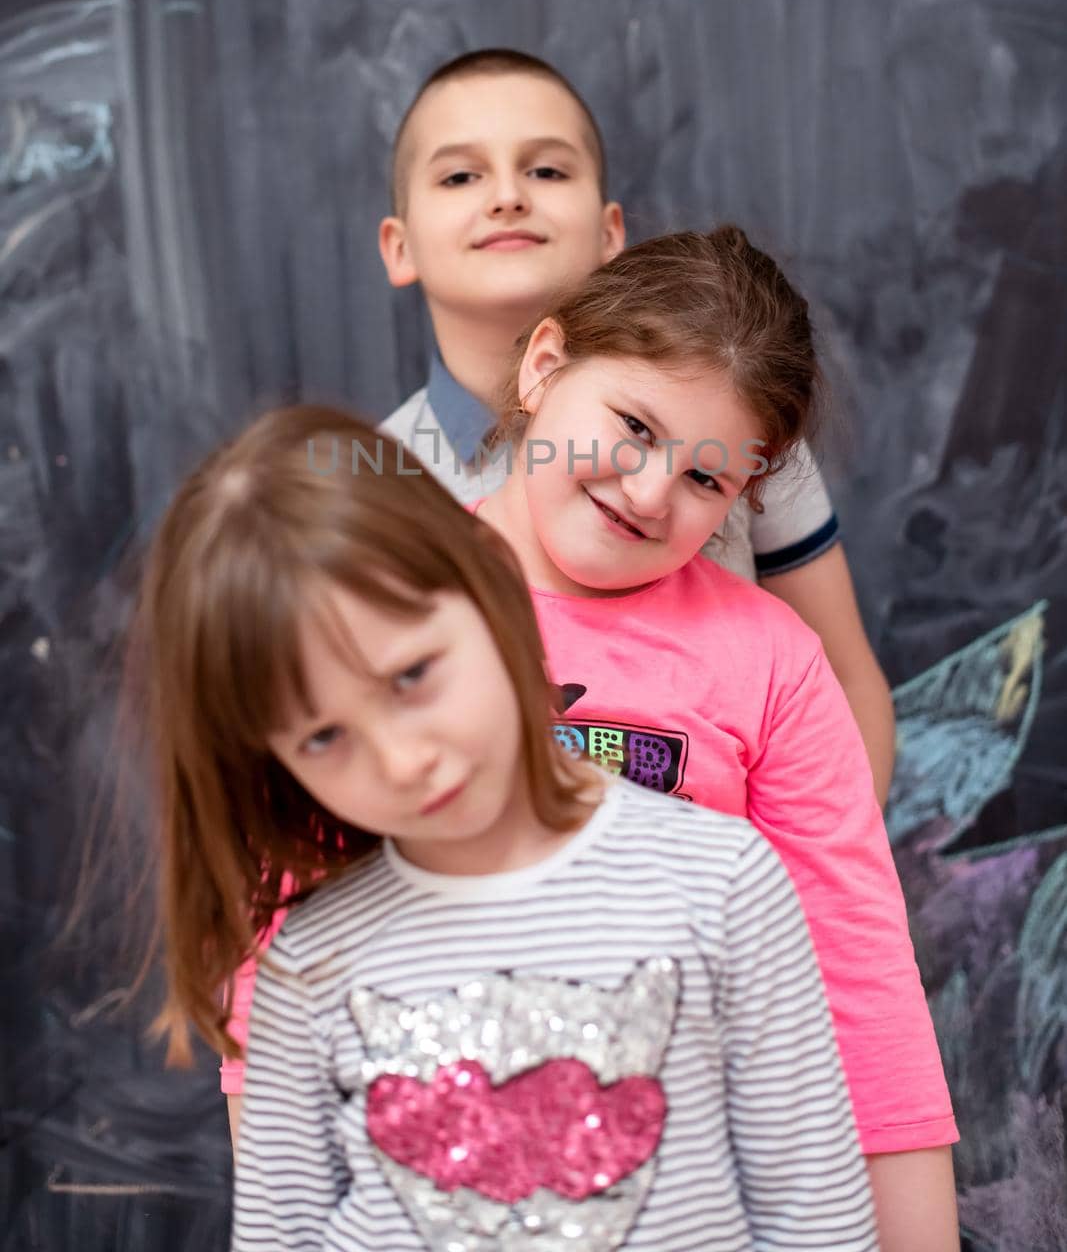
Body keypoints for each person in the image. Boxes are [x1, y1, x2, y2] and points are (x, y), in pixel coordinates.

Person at [133, 404, 878, 1252]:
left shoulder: (724, 883)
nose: (401, 759)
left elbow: (815, 1219)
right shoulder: (309, 965)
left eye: (411, 675)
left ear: (489, 583)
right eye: (323, 737)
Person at [473, 226, 960, 1252]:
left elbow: (859, 984)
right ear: (544, 364)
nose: (648, 492)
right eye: (633, 427)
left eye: (706, 480)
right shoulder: (387, 602)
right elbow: (283, 954)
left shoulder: (771, 665)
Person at [378, 48, 896, 802]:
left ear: (610, 231)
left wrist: (813, 892)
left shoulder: (739, 438)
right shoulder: (376, 486)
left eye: (547, 171)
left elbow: (845, 683)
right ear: (398, 245)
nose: (507, 197)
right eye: (460, 176)